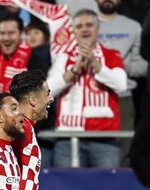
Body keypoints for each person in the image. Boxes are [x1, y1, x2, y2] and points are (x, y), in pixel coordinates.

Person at [48, 9, 128, 168]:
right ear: (74, 32)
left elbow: (121, 85)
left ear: (97, 29)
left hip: (104, 139)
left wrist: (96, 65)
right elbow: (47, 91)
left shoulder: (111, 54)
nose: (84, 29)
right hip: (68, 138)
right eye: (79, 26)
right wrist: (74, 70)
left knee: (107, 187)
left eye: (89, 25)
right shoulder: (63, 57)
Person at [96, 0, 148, 154]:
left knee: (126, 150)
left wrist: (118, 66)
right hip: (91, 96)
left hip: (123, 99)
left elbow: (143, 66)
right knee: (95, 149)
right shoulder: (84, 23)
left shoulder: (133, 27)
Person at [0, 15, 50, 94]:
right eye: (2, 33)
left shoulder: (34, 57)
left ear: (21, 34)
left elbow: (39, 94)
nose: (6, 38)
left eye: (11, 33)